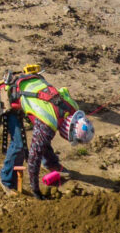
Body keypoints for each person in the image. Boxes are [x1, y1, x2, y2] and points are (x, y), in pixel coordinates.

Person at [15, 69, 84, 197]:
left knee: (42, 139)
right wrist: (35, 190)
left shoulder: (73, 107)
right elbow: (33, 160)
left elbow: (63, 91)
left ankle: (51, 163)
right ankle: (7, 180)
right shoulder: (48, 124)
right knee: (17, 146)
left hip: (34, 81)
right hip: (16, 91)